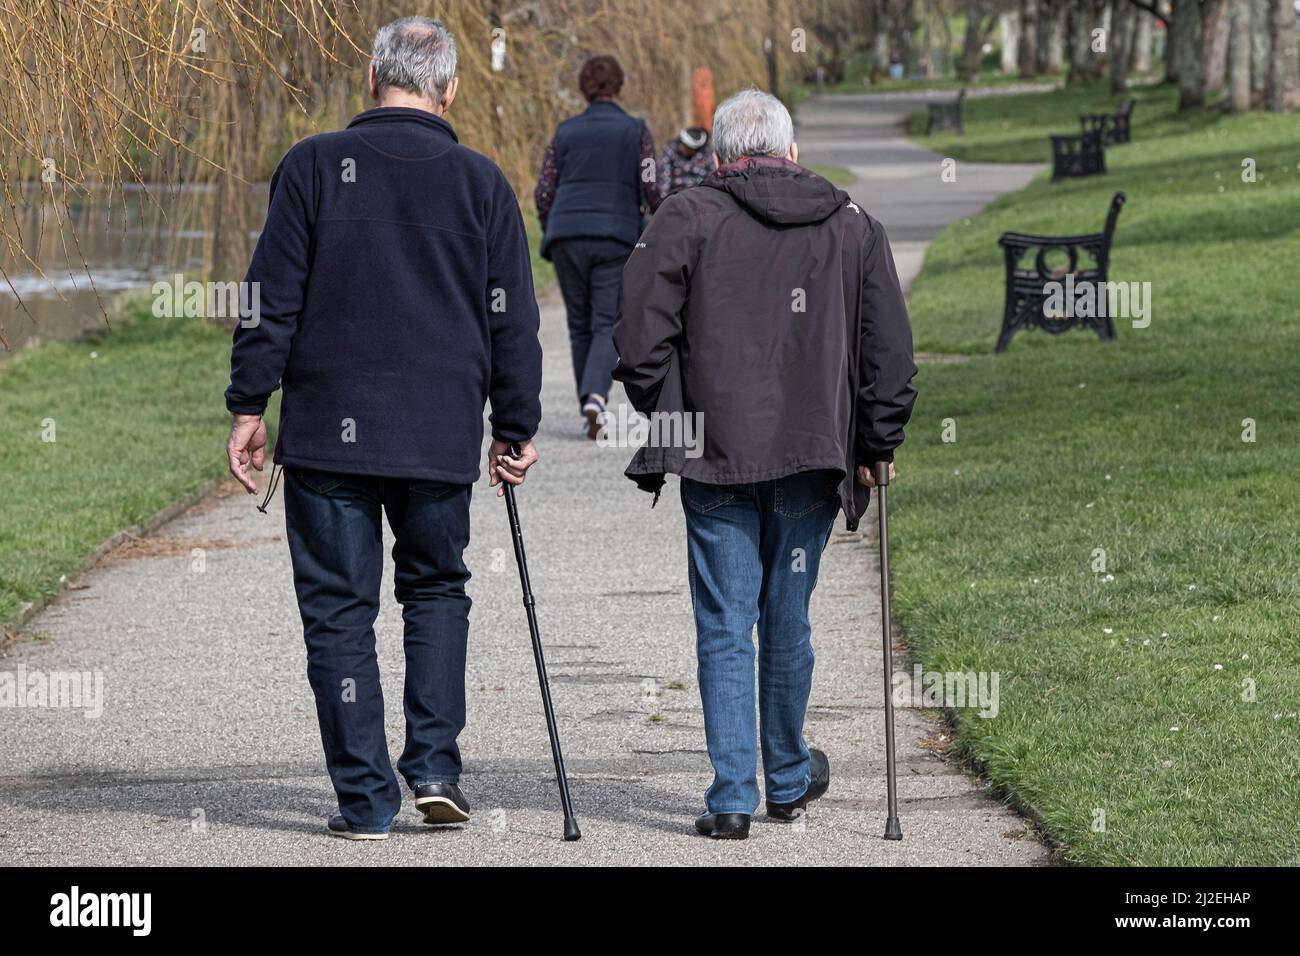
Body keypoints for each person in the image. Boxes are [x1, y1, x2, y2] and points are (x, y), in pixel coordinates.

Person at [224, 17, 543, 841]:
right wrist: (515, 424)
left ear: (373, 78)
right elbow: (511, 317)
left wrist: (249, 403)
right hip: (435, 431)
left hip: (331, 430)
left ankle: (365, 801)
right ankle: (434, 765)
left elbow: (271, 298)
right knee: (436, 588)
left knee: (339, 611)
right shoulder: (482, 183)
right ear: (451, 88)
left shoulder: (313, 166)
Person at [613, 88, 917, 840]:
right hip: (812, 453)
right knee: (787, 619)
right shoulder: (851, 225)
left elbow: (635, 338)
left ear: (718, 157)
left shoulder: (686, 216)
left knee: (724, 623)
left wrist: (671, 409)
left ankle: (731, 798)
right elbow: (890, 355)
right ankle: (785, 777)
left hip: (716, 454)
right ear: (790, 150)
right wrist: (876, 443)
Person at [534, 55, 661, 439]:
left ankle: (588, 404)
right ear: (618, 87)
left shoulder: (565, 131)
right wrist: (660, 219)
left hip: (566, 235)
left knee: (578, 326)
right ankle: (595, 399)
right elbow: (651, 182)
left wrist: (550, 226)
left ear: (585, 88)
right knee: (607, 321)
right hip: (614, 235)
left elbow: (544, 190)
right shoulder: (635, 130)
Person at [657, 127, 714, 196]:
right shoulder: (670, 149)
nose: (681, 148)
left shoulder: (707, 155)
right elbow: (664, 178)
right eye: (681, 143)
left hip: (698, 196)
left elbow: (710, 179)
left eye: (686, 147)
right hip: (674, 196)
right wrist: (663, 199)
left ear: (694, 149)